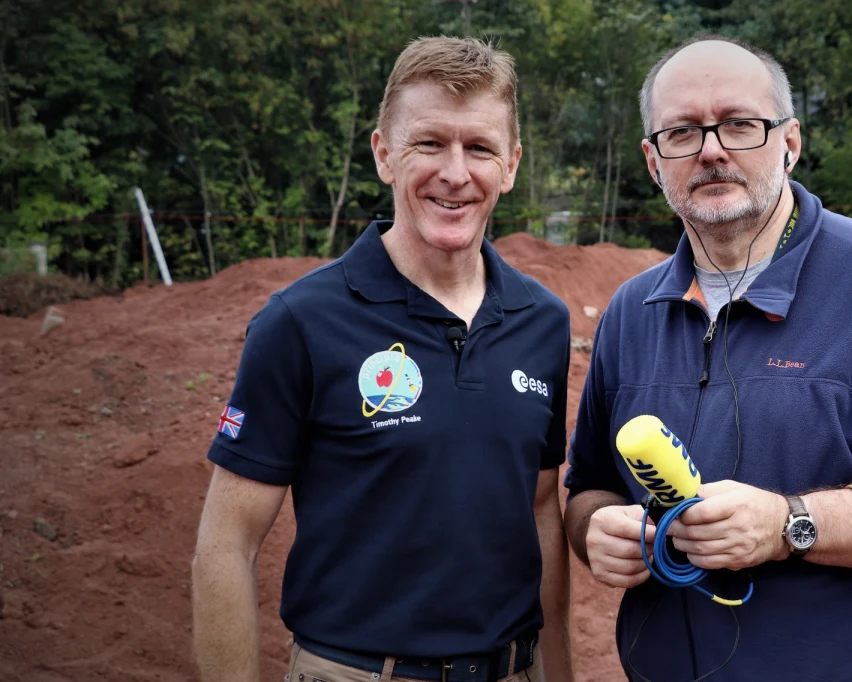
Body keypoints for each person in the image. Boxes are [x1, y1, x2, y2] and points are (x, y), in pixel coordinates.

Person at [563, 35, 852, 682]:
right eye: (682, 132)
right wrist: (597, 531)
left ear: (790, 141)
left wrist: (791, 525)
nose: (711, 149)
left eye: (739, 124)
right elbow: (589, 485)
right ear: (652, 160)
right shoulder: (630, 313)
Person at [192, 37, 574, 682]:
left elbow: (541, 511)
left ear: (510, 165)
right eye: (430, 143)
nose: (455, 173)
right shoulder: (300, 322)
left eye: (480, 148)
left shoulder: (543, 321)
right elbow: (226, 544)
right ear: (384, 155)